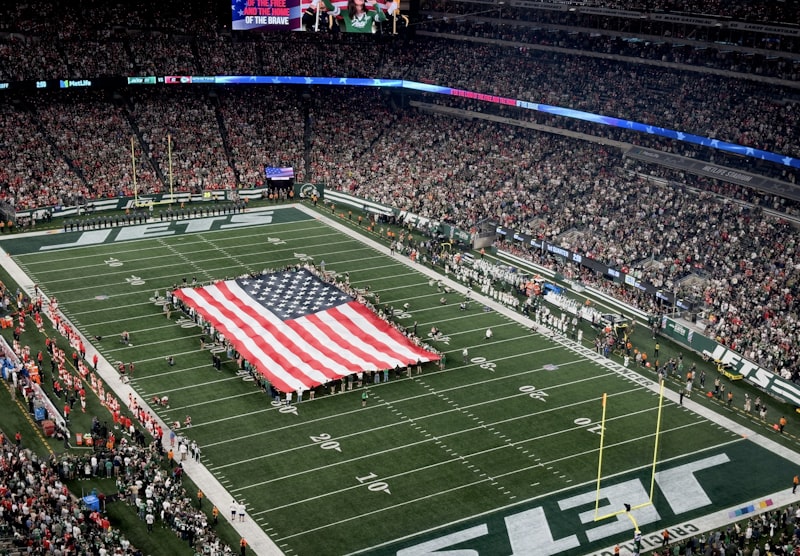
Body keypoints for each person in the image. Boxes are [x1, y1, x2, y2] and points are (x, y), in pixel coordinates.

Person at [316, 0, 390, 33]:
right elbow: (330, 6)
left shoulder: (371, 13)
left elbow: (382, 18)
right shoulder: (345, 13)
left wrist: (375, 4)